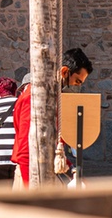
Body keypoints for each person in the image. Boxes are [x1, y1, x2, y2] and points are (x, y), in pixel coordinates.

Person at [10, 48, 94, 187]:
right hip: (31, 175)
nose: (75, 86)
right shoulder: (34, 97)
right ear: (65, 72)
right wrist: (30, 190)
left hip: (41, 172)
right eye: (77, 81)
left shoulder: (50, 98)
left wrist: (72, 169)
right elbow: (26, 150)